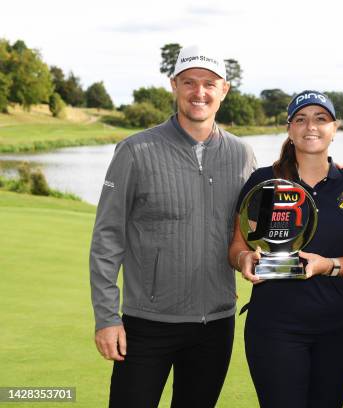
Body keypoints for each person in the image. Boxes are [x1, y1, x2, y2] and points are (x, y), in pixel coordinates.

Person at [89, 45, 256, 408]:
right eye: (189, 82)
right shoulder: (134, 151)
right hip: (146, 325)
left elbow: (246, 232)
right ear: (174, 86)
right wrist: (106, 317)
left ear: (224, 89)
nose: (200, 93)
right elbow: (107, 237)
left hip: (216, 324)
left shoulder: (242, 155)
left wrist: (328, 176)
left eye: (209, 84)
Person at [228, 90, 343, 408]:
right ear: (289, 129)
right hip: (274, 327)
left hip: (336, 329)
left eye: (321, 119)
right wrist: (245, 260)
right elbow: (238, 246)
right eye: (301, 119)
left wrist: (328, 265)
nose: (311, 126)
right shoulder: (264, 180)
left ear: (335, 128)